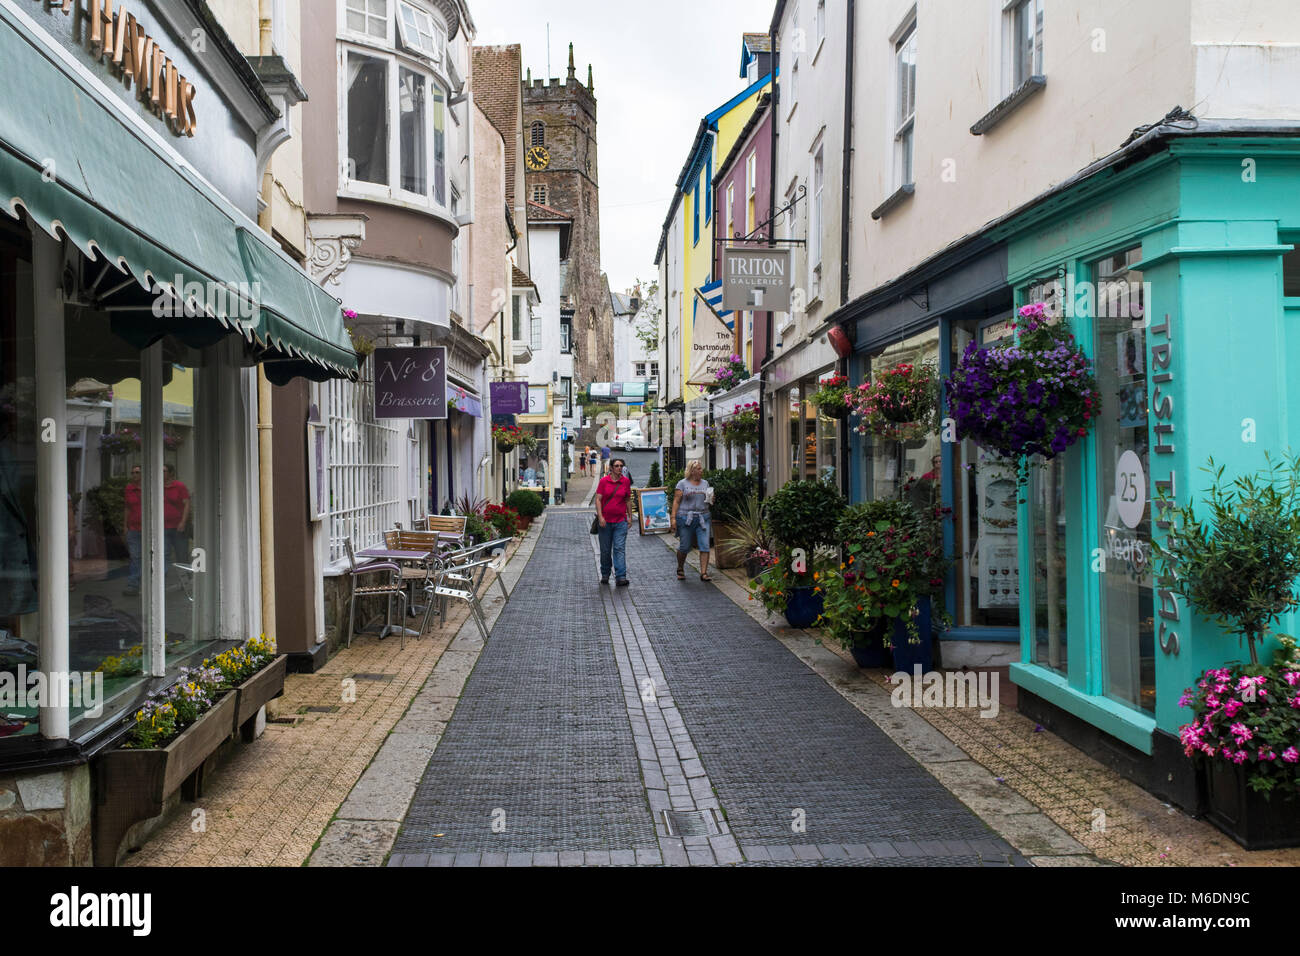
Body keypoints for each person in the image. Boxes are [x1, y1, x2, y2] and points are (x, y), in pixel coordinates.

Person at [670, 460, 714, 582]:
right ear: (692, 471)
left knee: (705, 545)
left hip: (703, 517)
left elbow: (709, 501)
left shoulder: (705, 483)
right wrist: (673, 518)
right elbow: (676, 501)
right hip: (685, 518)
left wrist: (711, 498)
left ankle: (704, 573)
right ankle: (680, 568)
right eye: (699, 469)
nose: (701, 471)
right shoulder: (682, 484)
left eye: (701, 468)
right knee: (685, 546)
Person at [596, 457, 632, 587]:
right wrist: (600, 517)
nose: (619, 468)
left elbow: (628, 500)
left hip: (620, 521)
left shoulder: (625, 482)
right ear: (611, 468)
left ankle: (621, 576)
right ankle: (605, 573)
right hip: (605, 522)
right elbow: (598, 499)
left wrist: (630, 517)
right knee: (605, 550)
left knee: (619, 548)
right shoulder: (603, 482)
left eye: (621, 466)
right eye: (616, 466)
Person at [163, 463, 190, 572]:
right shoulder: (157, 486)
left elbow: (186, 504)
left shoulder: (179, 486)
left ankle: (186, 582)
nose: (161, 473)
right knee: (163, 555)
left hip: (178, 527)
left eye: (164, 471)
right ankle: (161, 583)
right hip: (163, 527)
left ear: (170, 473)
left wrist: (183, 522)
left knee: (181, 555)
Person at [123, 464, 142, 596]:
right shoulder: (129, 488)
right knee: (135, 557)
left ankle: (153, 582)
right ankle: (133, 584)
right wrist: (125, 525)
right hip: (134, 528)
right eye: (133, 472)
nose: (134, 475)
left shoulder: (150, 487)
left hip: (149, 529)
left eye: (137, 472)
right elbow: (127, 508)